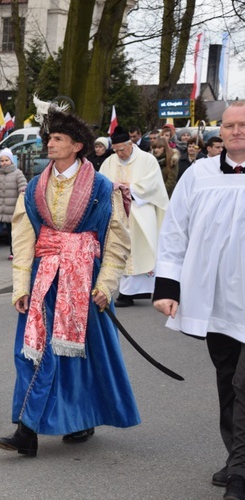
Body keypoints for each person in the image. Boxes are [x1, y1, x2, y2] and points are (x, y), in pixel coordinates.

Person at [0, 107, 140, 458]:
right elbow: (24, 236)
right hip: (45, 278)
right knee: (34, 352)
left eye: (58, 139)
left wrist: (106, 286)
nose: (50, 144)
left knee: (81, 356)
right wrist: (20, 285)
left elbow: (116, 239)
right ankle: (27, 431)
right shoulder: (34, 188)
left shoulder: (102, 187)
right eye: (49, 138)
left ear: (77, 145)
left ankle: (80, 417)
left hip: (84, 280)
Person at [152, 102, 245, 496]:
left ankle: (240, 470)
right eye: (229, 125)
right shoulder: (199, 175)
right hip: (215, 302)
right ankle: (236, 456)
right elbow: (175, 230)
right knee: (227, 381)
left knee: (244, 384)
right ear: (218, 132)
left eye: (243, 125)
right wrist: (168, 287)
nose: (236, 131)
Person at [99, 126, 168, 307]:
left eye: (122, 149)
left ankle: (148, 290)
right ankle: (126, 293)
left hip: (141, 211)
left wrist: (131, 188)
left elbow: (153, 185)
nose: (119, 154)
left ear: (131, 144)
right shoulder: (109, 162)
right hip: (118, 213)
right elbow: (102, 182)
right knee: (122, 250)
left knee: (143, 249)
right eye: (116, 150)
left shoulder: (147, 160)